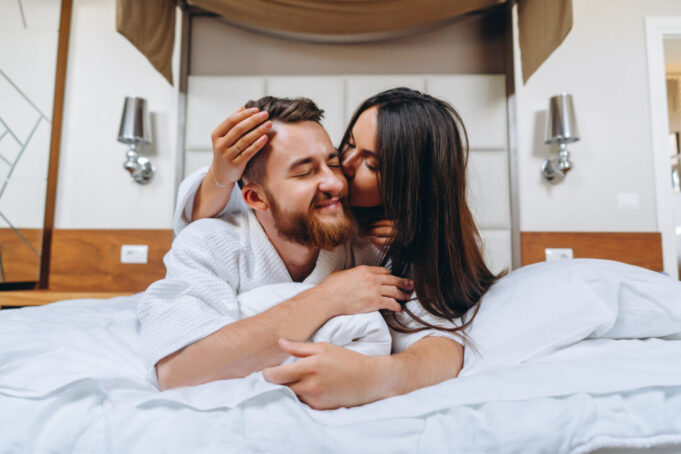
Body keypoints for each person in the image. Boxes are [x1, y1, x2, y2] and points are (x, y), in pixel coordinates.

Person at [176, 88, 503, 409]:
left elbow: (441, 343)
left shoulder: (380, 246)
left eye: (371, 165)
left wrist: (374, 377)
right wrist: (330, 297)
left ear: (407, 189)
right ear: (254, 198)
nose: (341, 170)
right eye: (346, 146)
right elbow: (180, 368)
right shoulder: (220, 234)